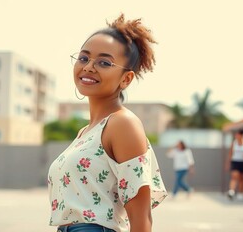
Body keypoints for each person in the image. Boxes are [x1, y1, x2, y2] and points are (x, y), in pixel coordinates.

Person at [47, 14, 167, 232]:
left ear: (126, 79)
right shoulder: (86, 131)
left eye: (104, 62)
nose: (89, 67)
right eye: (84, 58)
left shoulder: (123, 124)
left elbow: (141, 219)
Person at [225, 129, 243, 200]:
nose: (236, 136)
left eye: (238, 134)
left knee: (241, 179)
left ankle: (241, 193)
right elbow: (230, 153)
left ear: (241, 135)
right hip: (235, 161)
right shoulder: (234, 143)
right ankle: (231, 191)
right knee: (234, 176)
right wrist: (228, 163)